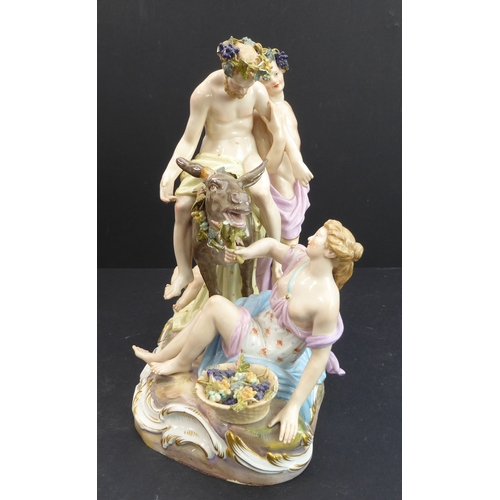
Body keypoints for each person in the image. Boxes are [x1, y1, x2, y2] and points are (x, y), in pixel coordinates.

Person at [133, 219, 363, 443]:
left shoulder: (326, 301)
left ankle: (181, 361)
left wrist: (293, 407)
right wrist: (247, 252)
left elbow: (319, 358)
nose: (310, 237)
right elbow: (271, 246)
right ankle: (163, 356)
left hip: (268, 350)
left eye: (318, 236)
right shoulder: (301, 260)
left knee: (215, 306)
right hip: (258, 324)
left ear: (330, 252)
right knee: (210, 310)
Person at [161, 37, 291, 300]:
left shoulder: (256, 90)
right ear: (227, 70)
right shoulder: (205, 93)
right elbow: (189, 139)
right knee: (182, 206)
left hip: (247, 154)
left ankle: (276, 258)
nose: (243, 92)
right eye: (238, 85)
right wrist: (169, 175)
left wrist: (282, 145)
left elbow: (275, 121)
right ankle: (184, 270)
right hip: (214, 156)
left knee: (263, 194)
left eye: (248, 86)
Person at [253, 48, 312, 290]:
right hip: (279, 190)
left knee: (289, 252)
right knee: (278, 254)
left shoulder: (284, 106)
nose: (274, 80)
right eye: (265, 78)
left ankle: (281, 296)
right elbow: (269, 165)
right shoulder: (262, 115)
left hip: (294, 186)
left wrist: (297, 164)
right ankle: (268, 296)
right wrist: (282, 143)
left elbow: (293, 139)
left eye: (276, 73)